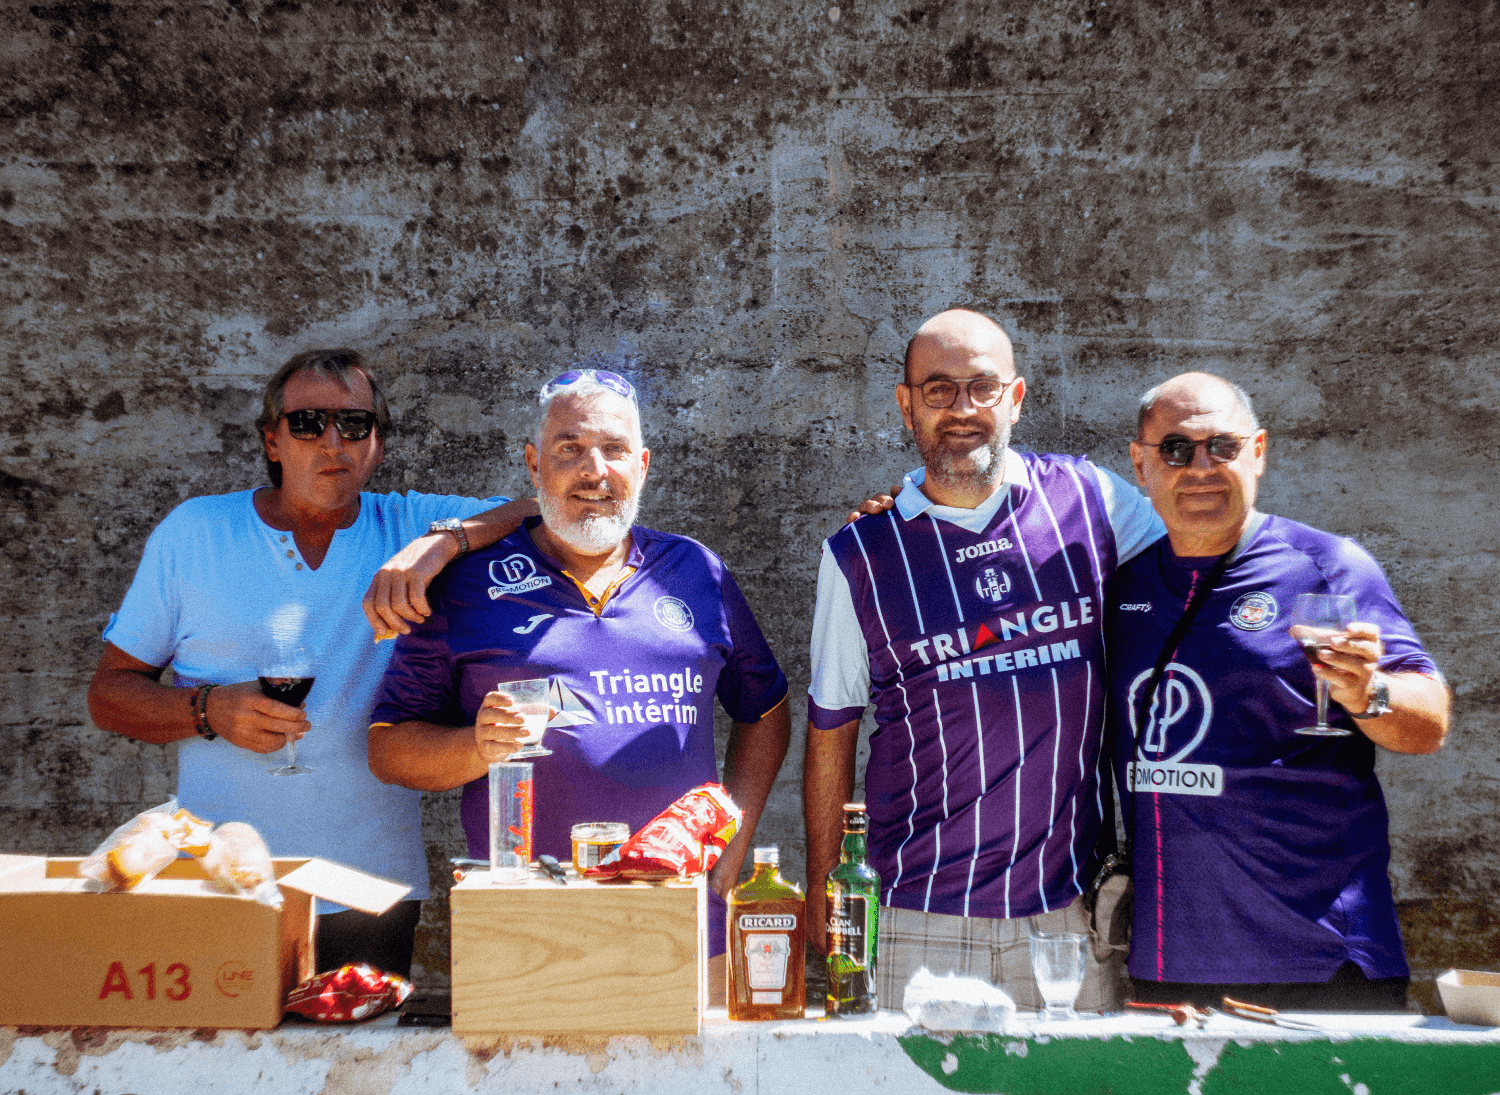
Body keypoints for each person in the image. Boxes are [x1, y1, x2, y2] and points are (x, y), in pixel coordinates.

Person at [87, 348, 537, 977]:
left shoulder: (405, 523)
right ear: (272, 441)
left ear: (376, 445)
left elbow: (537, 508)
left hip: (371, 887)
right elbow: (109, 693)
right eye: (307, 424)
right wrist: (208, 709)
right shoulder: (194, 534)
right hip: (225, 886)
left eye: (355, 425)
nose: (333, 442)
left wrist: (440, 542)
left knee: (358, 1070)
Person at [367, 368, 792, 981]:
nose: (594, 470)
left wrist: (735, 830)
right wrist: (474, 748)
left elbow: (765, 708)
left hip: (682, 926)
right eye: (570, 449)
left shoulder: (695, 571)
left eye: (614, 449)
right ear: (533, 466)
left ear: (642, 465)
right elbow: (388, 750)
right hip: (525, 934)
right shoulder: (467, 584)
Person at [804, 309, 1165, 1011]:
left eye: (982, 388)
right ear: (906, 404)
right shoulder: (859, 554)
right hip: (915, 915)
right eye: (938, 391)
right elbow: (831, 731)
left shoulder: (1094, 502)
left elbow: (1191, 565)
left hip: (1065, 915)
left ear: (1017, 398)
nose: (962, 410)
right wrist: (828, 886)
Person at [1106, 372, 1449, 1011]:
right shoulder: (1118, 586)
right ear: (1141, 463)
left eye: (1222, 447)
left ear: (1258, 452)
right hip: (1169, 963)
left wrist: (1367, 691)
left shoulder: (1327, 566)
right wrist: (904, 507)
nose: (1199, 467)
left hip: (1319, 959)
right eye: (1176, 449)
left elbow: (1428, 723)